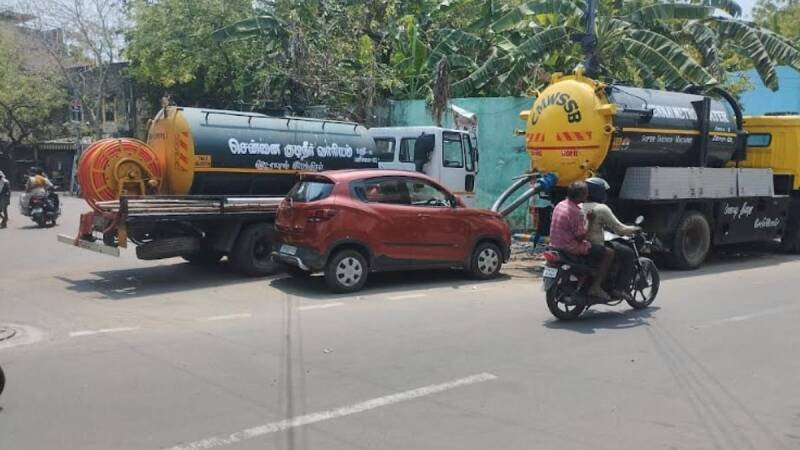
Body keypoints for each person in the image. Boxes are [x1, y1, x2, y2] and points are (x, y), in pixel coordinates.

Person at [550, 181, 614, 300]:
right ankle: (596, 287)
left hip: (555, 244)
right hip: (570, 247)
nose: (587, 196)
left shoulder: (560, 204)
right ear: (580, 195)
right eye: (585, 193)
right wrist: (590, 221)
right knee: (609, 253)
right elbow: (580, 237)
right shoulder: (576, 212)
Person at [583, 177, 640, 299]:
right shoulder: (601, 208)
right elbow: (620, 229)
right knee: (628, 253)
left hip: (580, 242)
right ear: (599, 192)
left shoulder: (578, 205)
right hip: (595, 244)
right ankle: (618, 289)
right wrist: (634, 229)